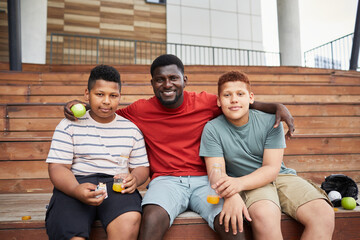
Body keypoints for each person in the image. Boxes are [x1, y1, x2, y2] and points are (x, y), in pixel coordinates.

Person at [64, 54, 295, 239]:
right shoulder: (140, 110)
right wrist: (80, 105)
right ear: (152, 83)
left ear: (185, 80)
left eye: (173, 78)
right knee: (152, 217)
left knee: (232, 222)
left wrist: (275, 106)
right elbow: (106, 111)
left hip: (205, 180)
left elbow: (237, 104)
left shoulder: (204, 102)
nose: (167, 84)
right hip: (166, 180)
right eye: (160, 79)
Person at [200, 71, 335, 239]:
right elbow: (216, 173)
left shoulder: (272, 121)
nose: (234, 99)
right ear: (219, 101)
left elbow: (271, 168)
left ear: (250, 98)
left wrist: (237, 184)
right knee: (266, 216)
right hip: (248, 182)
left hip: (280, 177)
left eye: (240, 94)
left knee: (323, 214)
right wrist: (231, 193)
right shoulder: (212, 129)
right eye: (227, 95)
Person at [46, 65, 149, 240]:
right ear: (87, 94)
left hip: (117, 186)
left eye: (113, 95)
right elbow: (57, 167)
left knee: (130, 219)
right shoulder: (69, 124)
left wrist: (136, 179)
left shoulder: (131, 129)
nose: (107, 101)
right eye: (100, 94)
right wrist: (76, 189)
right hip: (76, 184)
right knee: (70, 232)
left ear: (120, 97)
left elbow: (141, 166)